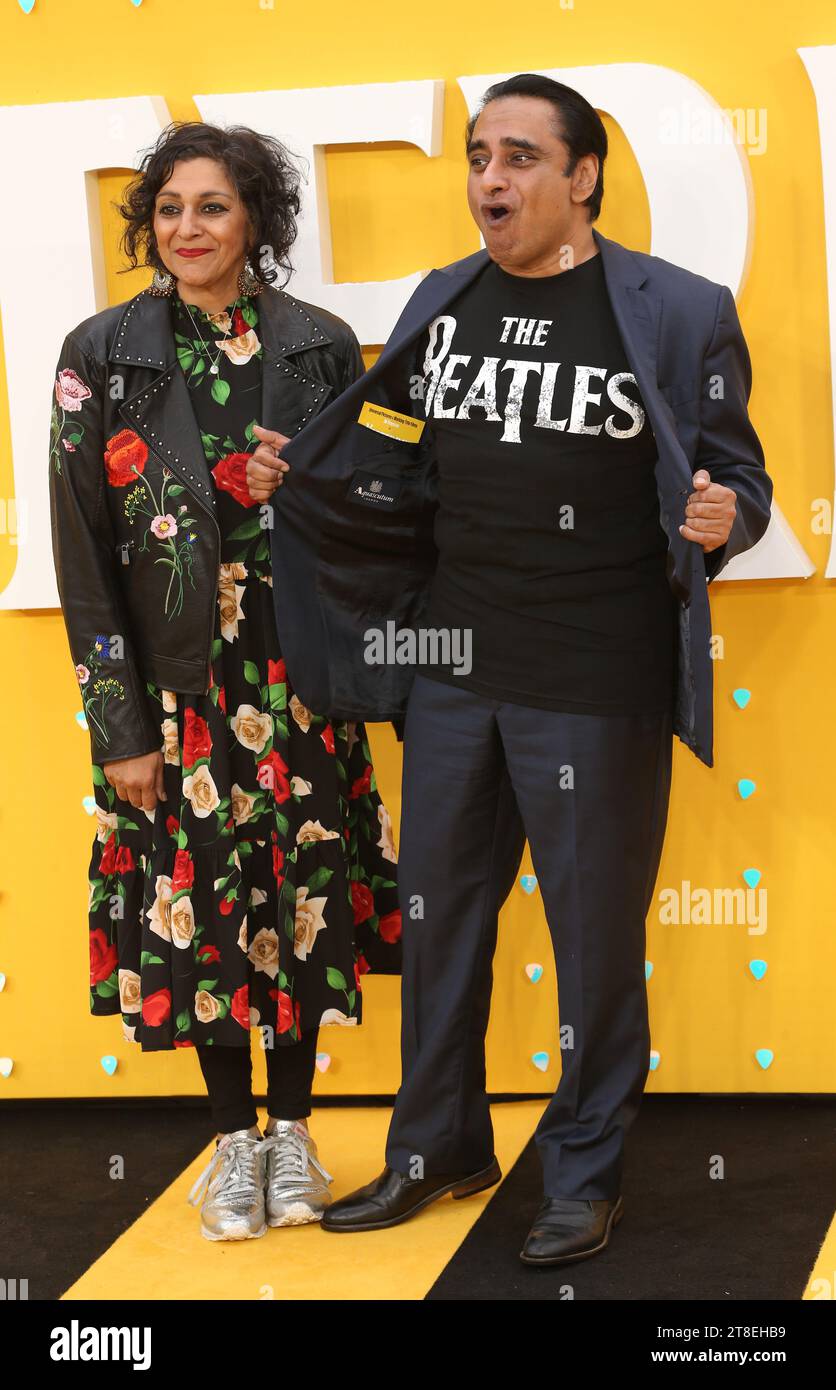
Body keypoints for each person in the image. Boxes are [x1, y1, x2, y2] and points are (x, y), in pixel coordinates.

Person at [247, 74, 773, 1266]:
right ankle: (435, 1146)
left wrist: (720, 516)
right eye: (480, 155)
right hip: (451, 668)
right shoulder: (444, 298)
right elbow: (397, 463)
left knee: (589, 941)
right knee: (436, 922)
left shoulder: (678, 309)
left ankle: (582, 1170)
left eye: (521, 157)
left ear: (581, 175)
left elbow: (739, 476)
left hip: (597, 676)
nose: (491, 178)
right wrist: (312, 479)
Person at [48, 120, 401, 1243]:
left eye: (211, 206)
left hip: (298, 680)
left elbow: (380, 511)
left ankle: (293, 1131)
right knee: (199, 913)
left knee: (296, 903)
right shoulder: (100, 354)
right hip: (178, 692)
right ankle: (231, 1142)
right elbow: (83, 554)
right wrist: (120, 726)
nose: (186, 229)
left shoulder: (319, 346)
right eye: (167, 209)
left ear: (256, 218)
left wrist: (304, 490)